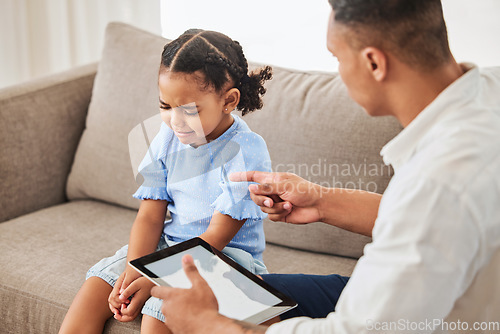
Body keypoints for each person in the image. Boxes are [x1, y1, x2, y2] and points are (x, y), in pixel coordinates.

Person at [150, 0, 500, 333]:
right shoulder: (487, 95)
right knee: (240, 293)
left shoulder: (439, 180)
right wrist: (320, 200)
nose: (338, 72)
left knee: (221, 309)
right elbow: (428, 222)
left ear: (374, 63)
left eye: (336, 57)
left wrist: (211, 327)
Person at [59, 29, 274, 334]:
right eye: (165, 106)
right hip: (169, 245)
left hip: (222, 257)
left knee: (158, 313)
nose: (175, 121)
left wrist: (155, 278)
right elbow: (149, 215)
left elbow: (216, 237)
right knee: (96, 287)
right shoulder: (169, 138)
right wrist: (136, 270)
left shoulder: (247, 151)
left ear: (229, 101)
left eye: (189, 110)